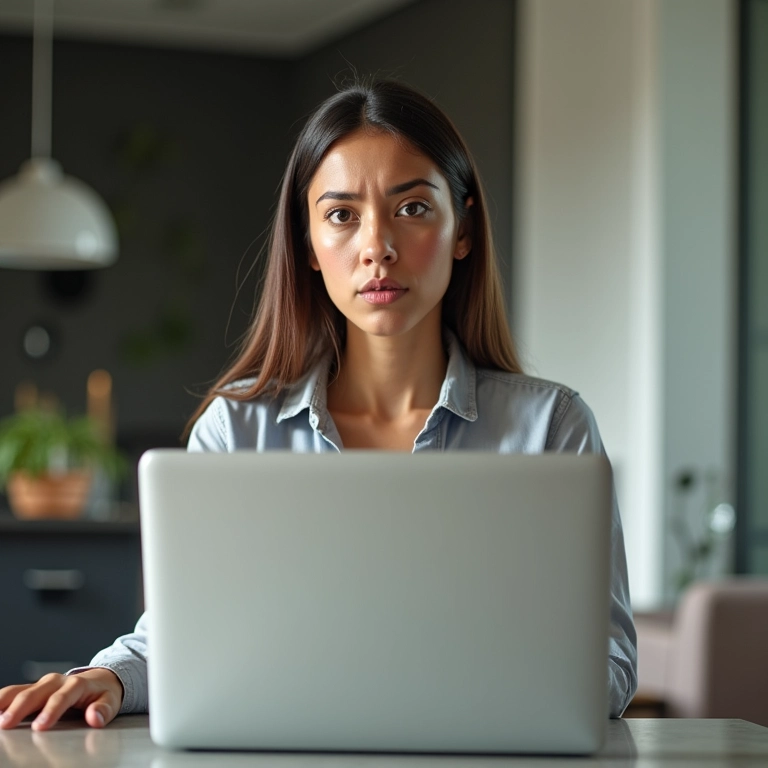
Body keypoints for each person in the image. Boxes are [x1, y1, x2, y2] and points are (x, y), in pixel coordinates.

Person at [0, 79, 638, 732]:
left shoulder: (551, 428)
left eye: (413, 208)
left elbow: (610, 661)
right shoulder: (236, 430)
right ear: (307, 243)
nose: (377, 246)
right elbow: (180, 634)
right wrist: (105, 675)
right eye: (341, 215)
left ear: (463, 228)